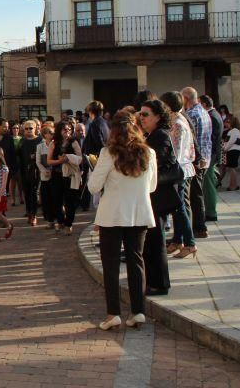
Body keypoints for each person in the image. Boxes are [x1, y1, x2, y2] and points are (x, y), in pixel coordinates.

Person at [88, 110, 156, 331]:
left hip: (113, 214)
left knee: (111, 265)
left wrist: (95, 167)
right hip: (139, 212)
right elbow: (152, 186)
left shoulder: (108, 153)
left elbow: (93, 187)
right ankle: (138, 311)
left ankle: (113, 313)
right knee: (136, 262)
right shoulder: (149, 153)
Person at [138, 99, 176, 296]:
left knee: (155, 240)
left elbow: (156, 165)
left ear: (158, 117)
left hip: (158, 196)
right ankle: (153, 281)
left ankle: (160, 283)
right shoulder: (152, 135)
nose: (141, 118)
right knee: (151, 240)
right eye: (140, 114)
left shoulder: (160, 136)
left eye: (145, 114)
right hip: (153, 195)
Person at [160, 91, 197, 259]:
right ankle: (177, 240)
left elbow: (177, 151)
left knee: (179, 207)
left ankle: (190, 243)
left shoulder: (178, 124)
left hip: (180, 170)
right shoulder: (176, 121)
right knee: (177, 208)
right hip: (180, 169)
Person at [181, 87, 211, 239]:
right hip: (204, 159)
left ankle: (199, 227)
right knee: (197, 194)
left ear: (185, 99)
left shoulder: (191, 114)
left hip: (195, 161)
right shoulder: (204, 112)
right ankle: (200, 226)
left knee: (194, 196)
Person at [47, 121, 82, 234]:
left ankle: (68, 224)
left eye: (69, 129)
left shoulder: (74, 142)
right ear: (59, 131)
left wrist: (69, 158)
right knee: (56, 200)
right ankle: (61, 220)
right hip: (57, 174)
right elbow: (49, 161)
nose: (67, 131)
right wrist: (60, 161)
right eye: (64, 129)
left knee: (70, 200)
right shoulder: (54, 143)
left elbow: (80, 158)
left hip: (70, 175)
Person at [199, 95, 222, 222]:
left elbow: (211, 138)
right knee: (209, 182)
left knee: (208, 184)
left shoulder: (212, 116)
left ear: (204, 104)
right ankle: (210, 210)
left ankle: (211, 212)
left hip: (211, 155)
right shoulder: (215, 114)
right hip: (214, 154)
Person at [17, 120, 42, 225]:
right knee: (26, 193)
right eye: (26, 128)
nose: (28, 130)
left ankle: (34, 215)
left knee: (34, 193)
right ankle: (29, 212)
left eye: (30, 128)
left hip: (36, 171)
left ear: (35, 128)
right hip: (24, 171)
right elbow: (18, 155)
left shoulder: (40, 140)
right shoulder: (22, 141)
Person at [36, 124, 54, 228]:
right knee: (46, 199)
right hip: (44, 176)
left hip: (54, 175)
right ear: (45, 134)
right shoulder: (40, 146)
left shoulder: (55, 145)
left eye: (52, 133)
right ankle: (49, 220)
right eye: (50, 133)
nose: (52, 135)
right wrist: (44, 171)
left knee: (54, 198)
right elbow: (38, 162)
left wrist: (52, 171)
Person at [221, 117, 240, 191]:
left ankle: (233, 185)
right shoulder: (234, 131)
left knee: (232, 168)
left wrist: (225, 148)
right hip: (233, 150)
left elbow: (231, 141)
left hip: (233, 150)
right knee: (231, 168)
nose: (227, 124)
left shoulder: (234, 130)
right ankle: (233, 185)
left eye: (229, 122)